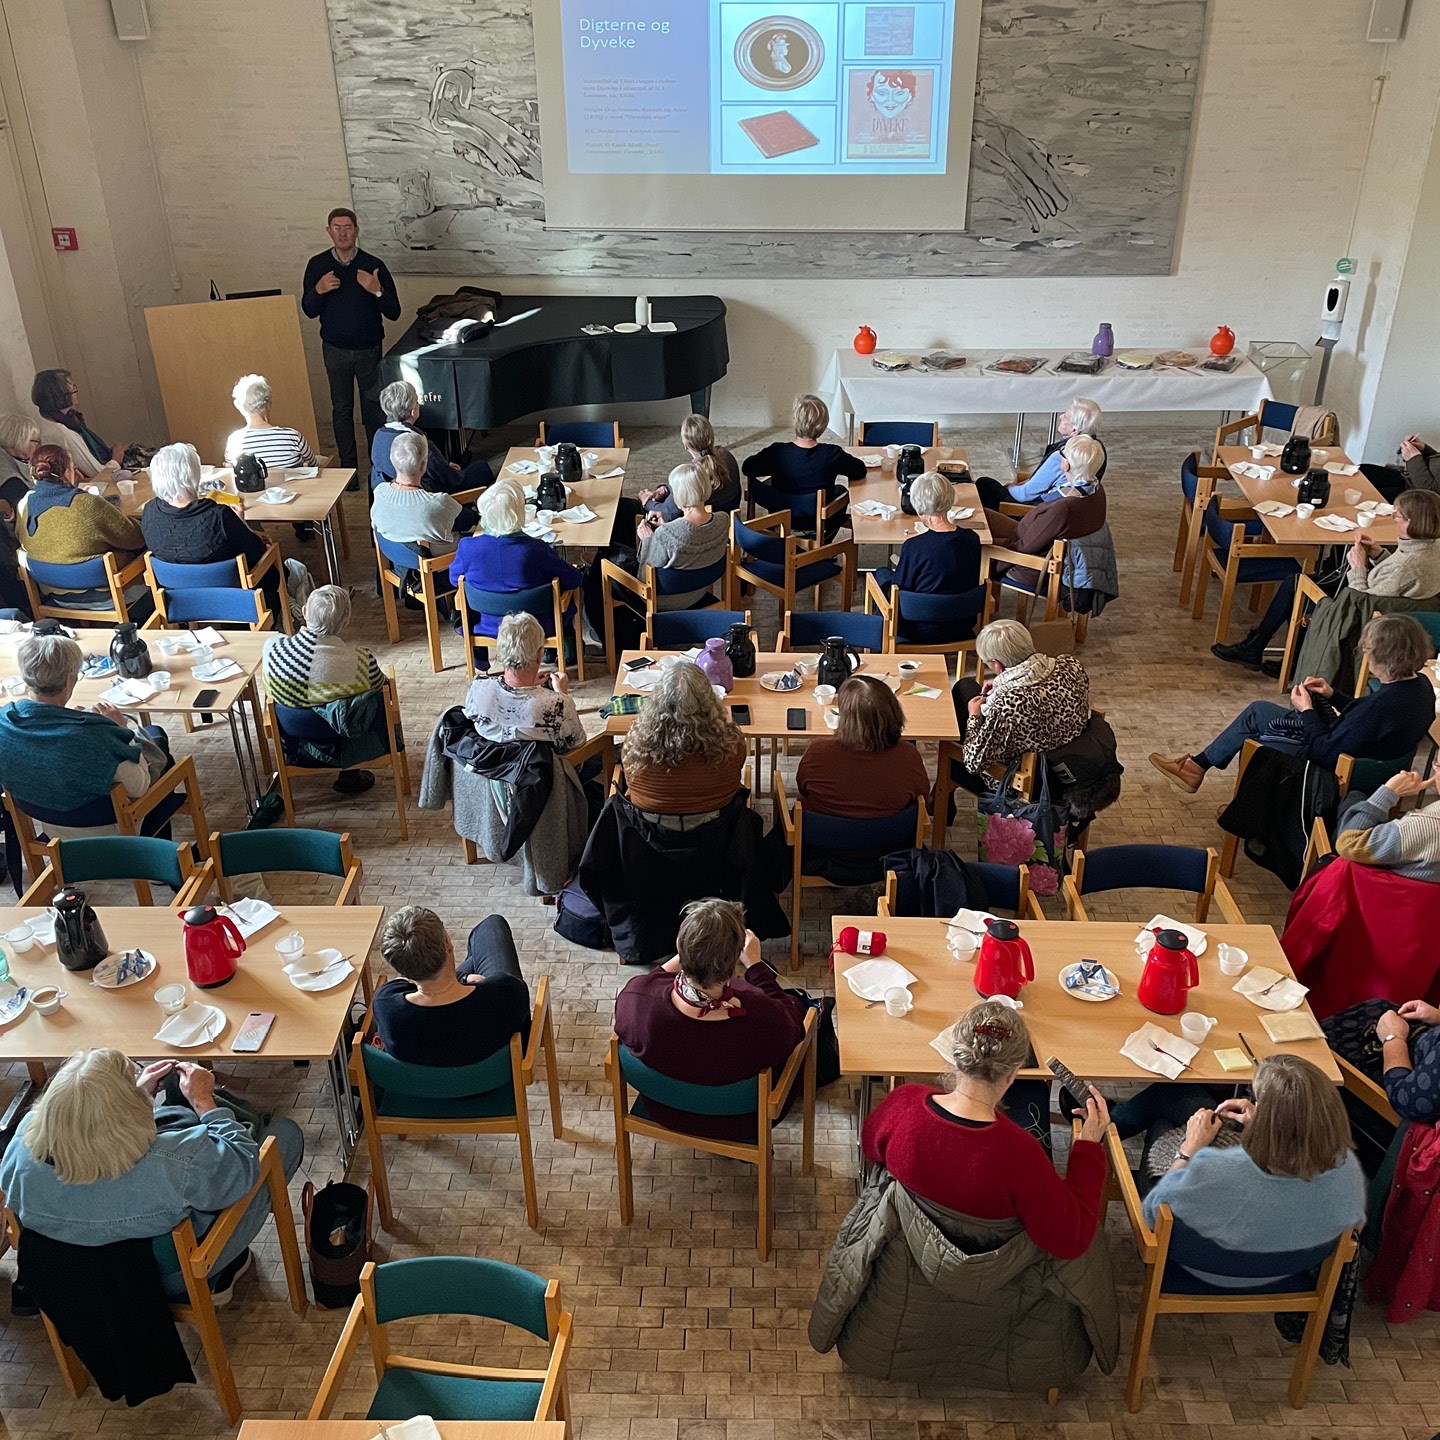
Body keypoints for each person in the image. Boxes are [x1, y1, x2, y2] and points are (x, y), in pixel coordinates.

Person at [0, 1048, 302, 1303]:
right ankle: (212, 1277)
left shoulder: (19, 1151)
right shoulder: (171, 1161)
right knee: (284, 1137)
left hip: (72, 1284)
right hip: (162, 1279)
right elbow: (241, 1168)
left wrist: (137, 1096)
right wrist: (203, 1101)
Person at [862, 1001, 1110, 1257]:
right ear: (1013, 1074)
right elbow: (1071, 1240)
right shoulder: (1022, 1155)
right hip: (989, 1275)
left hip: (903, 1254)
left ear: (955, 1056)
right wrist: (1089, 1145)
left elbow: (871, 1145)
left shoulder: (904, 1104)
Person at [1141, 1055, 1365, 1288]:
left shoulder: (1219, 1172)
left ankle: (1109, 1126)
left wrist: (1189, 1149)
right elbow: (1354, 1229)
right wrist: (1266, 1124)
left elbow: (1153, 1217)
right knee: (1180, 1100)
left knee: (1162, 1126)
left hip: (1198, 1272)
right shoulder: (1347, 1169)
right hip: (1286, 1273)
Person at [1151, 613, 1436, 791]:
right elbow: (1366, 722)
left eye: (1367, 650)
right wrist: (1332, 695)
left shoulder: (1382, 705)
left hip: (1331, 766)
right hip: (1357, 752)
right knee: (1258, 711)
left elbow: (1324, 751)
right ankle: (1197, 767)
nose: (1365, 654)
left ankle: (1250, 812)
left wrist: (1308, 711)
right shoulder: (1421, 687)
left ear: (1382, 657)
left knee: (1260, 738)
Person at [613, 898, 807, 1139]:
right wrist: (756, 967)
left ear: (678, 945)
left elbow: (652, 981)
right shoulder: (764, 1018)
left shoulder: (636, 999)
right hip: (740, 1122)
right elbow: (796, 1021)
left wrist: (690, 951)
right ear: (736, 957)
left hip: (664, 1108)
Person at [1214, 488, 1440, 674]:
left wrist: (1358, 567)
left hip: (1363, 615)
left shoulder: (1406, 565)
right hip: (1392, 606)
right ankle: (1272, 652)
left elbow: (1361, 601)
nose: (1393, 520)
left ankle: (1272, 654)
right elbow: (1398, 579)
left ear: (1411, 522)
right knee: (1297, 582)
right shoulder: (1432, 547)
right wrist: (1379, 555)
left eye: (1397, 516)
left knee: (1297, 585)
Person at [0, 633, 171, 833]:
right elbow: (140, 786)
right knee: (159, 745)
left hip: (52, 828)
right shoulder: (96, 736)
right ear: (70, 680)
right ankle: (163, 853)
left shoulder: (5, 721)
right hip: (108, 835)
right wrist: (122, 729)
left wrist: (68, 717)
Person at [301, 207, 400, 480]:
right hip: (335, 350)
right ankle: (349, 471)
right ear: (329, 231)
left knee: (373, 410)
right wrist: (318, 290)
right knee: (341, 408)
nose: (343, 232)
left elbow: (394, 311)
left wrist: (376, 290)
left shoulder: (373, 264)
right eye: (337, 227)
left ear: (356, 231)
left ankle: (377, 468)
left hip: (369, 350)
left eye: (348, 227)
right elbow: (308, 309)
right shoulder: (317, 265)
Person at [140, 441, 284, 620]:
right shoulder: (218, 516)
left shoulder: (150, 512)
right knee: (276, 562)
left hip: (180, 600)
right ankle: (282, 614)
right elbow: (256, 552)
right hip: (234, 596)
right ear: (194, 475)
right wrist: (242, 524)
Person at [261, 585, 384, 794]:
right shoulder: (362, 661)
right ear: (345, 623)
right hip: (343, 737)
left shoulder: (273, 650)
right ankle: (350, 775)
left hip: (293, 737)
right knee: (368, 701)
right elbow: (379, 684)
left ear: (304, 612)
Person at [372, 905, 531, 1067]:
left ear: (400, 969)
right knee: (492, 926)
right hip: (499, 1078)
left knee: (473, 957)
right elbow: (522, 1016)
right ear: (447, 942)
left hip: (425, 1088)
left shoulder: (386, 1005)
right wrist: (472, 981)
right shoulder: (505, 992)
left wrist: (463, 977)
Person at [952, 619, 1090, 783]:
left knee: (964, 693)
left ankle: (944, 791)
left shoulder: (1009, 704)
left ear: (998, 665)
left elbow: (973, 763)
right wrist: (1000, 683)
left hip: (1026, 782)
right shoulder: (1071, 665)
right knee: (967, 687)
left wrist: (974, 717)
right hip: (1075, 764)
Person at [448, 478, 583, 637]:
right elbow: (574, 579)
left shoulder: (468, 547)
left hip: (487, 624)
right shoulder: (535, 549)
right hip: (536, 626)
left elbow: (455, 579)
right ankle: (565, 648)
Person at [620, 660, 747, 817]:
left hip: (649, 833)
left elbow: (630, 782)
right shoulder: (732, 744)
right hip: (717, 831)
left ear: (656, 700)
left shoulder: (635, 744)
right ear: (710, 700)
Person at [796, 675, 930, 819]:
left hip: (821, 836)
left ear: (844, 718)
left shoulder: (818, 752)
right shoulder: (908, 756)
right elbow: (922, 796)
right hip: (892, 838)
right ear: (894, 712)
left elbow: (803, 788)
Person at [870, 470, 983, 626]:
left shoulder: (914, 546)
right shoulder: (972, 539)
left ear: (918, 507)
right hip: (963, 623)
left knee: (882, 574)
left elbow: (899, 588)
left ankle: (879, 631)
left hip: (919, 627)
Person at [463, 611, 584, 753]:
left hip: (491, 769)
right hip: (541, 773)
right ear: (539, 655)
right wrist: (562, 694)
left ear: (501, 650)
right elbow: (577, 743)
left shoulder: (477, 687)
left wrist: (531, 686)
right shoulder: (557, 704)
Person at [15, 443, 144, 568]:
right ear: (67, 472)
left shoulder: (24, 503)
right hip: (96, 577)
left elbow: (20, 536)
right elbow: (134, 538)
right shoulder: (86, 504)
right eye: (73, 467)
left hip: (45, 579)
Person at [973, 397, 1105, 511]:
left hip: (1034, 510)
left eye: (1066, 416)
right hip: (1064, 505)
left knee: (984, 485)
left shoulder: (1063, 456)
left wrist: (1010, 488)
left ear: (1075, 430)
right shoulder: (1096, 448)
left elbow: (1025, 495)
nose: (1061, 416)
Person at [742, 393, 865, 506]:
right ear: (823, 425)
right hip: (818, 520)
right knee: (841, 490)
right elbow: (859, 471)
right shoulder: (832, 454)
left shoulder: (777, 452)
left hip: (780, 517)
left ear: (795, 421)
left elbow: (747, 468)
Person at [372, 379, 492, 494]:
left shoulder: (378, 435)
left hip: (393, 490)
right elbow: (450, 478)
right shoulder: (419, 442)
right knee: (482, 467)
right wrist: (449, 469)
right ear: (413, 411)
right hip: (426, 492)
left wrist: (445, 465)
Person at [983, 434, 1105, 544]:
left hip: (1024, 537)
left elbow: (1025, 546)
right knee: (983, 513)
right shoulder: (1095, 490)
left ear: (1065, 465)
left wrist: (986, 547)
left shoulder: (1061, 506)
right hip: (1030, 529)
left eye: (1062, 452)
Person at [1332, 759, 1440, 880]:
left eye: (1438, 765)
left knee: (1352, 799)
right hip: (1420, 893)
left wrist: (1388, 793)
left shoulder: (1425, 825)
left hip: (1371, 891)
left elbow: (1349, 844)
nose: (1434, 770)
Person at [629, 413, 742, 526]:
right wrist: (663, 490)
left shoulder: (695, 474)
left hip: (706, 526)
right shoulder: (726, 454)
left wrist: (645, 501)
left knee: (643, 513)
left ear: (685, 445)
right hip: (728, 518)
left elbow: (667, 513)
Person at [370, 431, 473, 545]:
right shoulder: (437, 502)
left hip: (395, 555)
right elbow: (469, 520)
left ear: (392, 460)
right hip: (438, 555)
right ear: (424, 465)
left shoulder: (379, 492)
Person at [30, 369, 123, 481]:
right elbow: (98, 473)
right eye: (73, 388)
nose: (76, 391)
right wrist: (117, 456)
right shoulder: (62, 433)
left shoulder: (62, 418)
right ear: (61, 396)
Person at [224, 374, 318, 472]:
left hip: (256, 486)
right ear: (268, 405)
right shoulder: (292, 436)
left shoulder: (233, 441)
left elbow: (231, 467)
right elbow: (313, 463)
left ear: (242, 408)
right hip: (293, 486)